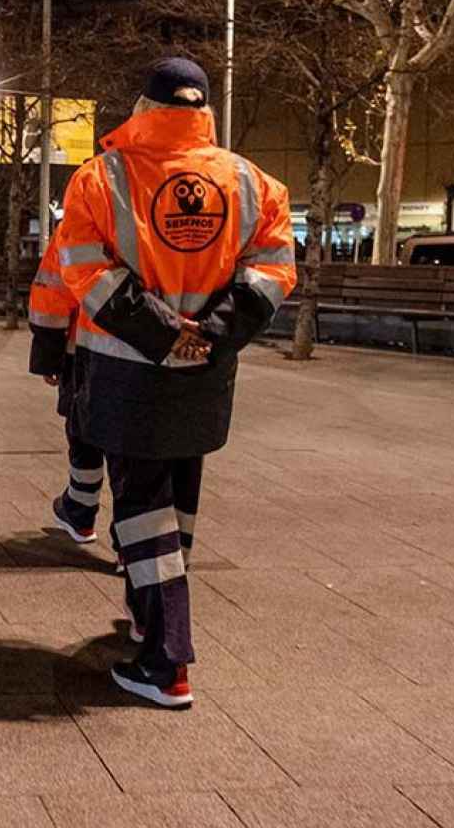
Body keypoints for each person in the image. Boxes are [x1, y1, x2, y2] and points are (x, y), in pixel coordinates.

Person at [56, 57, 295, 708]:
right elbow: (273, 269)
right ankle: (146, 613)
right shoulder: (252, 183)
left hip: (128, 368)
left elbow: (83, 268)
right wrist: (210, 334)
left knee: (142, 509)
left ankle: (167, 659)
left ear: (142, 107)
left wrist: (164, 334)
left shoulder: (99, 178)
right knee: (178, 504)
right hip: (207, 374)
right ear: (203, 110)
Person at [28, 219, 108, 546]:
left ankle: (81, 512)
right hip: (151, 352)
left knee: (84, 433)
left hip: (86, 348)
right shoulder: (154, 218)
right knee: (133, 443)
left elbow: (52, 292)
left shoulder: (79, 223)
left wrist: (49, 355)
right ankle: (134, 543)